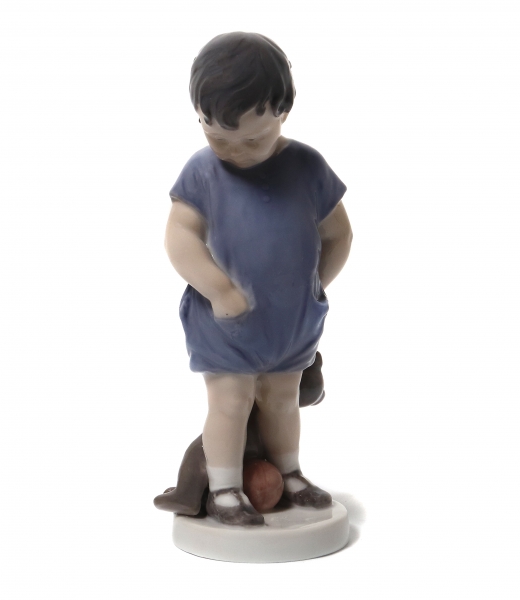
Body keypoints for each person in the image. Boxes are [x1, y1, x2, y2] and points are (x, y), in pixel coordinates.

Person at [164, 32, 352, 526]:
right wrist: (218, 288)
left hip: (289, 321)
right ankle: (225, 487)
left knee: (283, 399)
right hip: (225, 322)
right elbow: (180, 236)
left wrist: (317, 284)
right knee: (231, 401)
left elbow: (339, 233)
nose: (234, 152)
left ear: (283, 113)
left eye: (252, 139)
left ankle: (289, 473)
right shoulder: (203, 172)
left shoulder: (307, 167)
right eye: (217, 136)